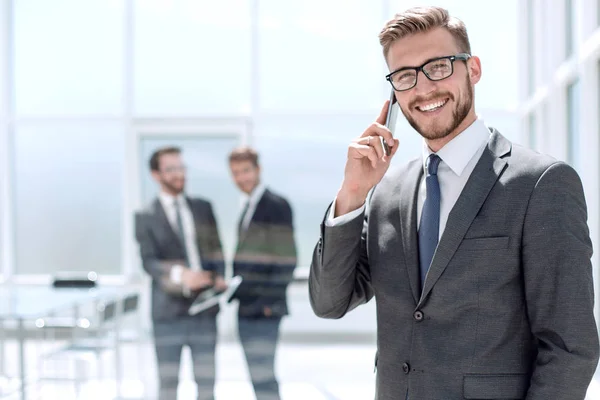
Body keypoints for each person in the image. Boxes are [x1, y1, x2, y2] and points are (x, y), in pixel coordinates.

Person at [308, 6, 599, 400]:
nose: (424, 88)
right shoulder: (387, 194)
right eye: (405, 76)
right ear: (394, 92)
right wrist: (352, 195)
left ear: (473, 69)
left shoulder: (541, 184)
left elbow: (570, 346)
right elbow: (329, 301)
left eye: (439, 66)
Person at [135, 146, 227, 400]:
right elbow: (149, 262)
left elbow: (217, 251)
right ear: (156, 174)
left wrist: (216, 277)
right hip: (167, 315)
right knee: (168, 386)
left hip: (204, 312)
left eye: (181, 167)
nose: (179, 174)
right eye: (171, 169)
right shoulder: (145, 216)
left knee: (207, 386)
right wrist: (180, 275)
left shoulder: (203, 208)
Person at [228, 146, 297, 400]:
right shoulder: (248, 207)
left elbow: (287, 260)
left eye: (245, 171)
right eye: (235, 173)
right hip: (246, 306)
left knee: (263, 375)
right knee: (257, 375)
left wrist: (268, 303)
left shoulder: (275, 206)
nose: (241, 178)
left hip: (263, 309)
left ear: (258, 170)